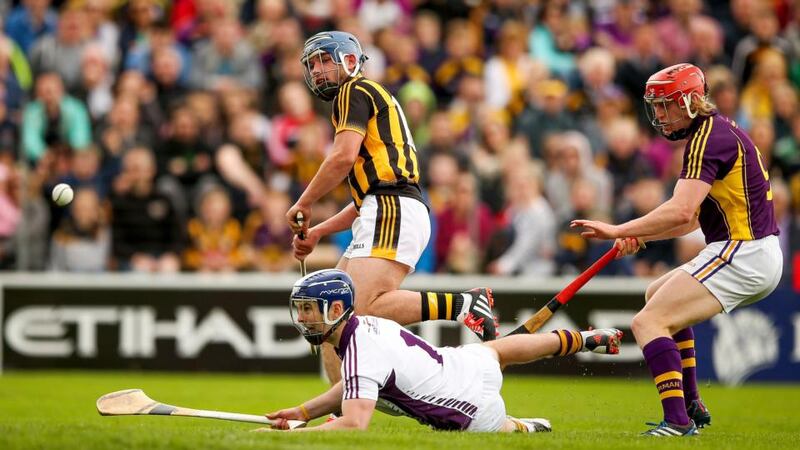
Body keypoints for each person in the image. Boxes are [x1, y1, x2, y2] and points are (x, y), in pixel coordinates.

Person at [571, 63, 783, 437]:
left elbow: (681, 210)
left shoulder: (708, 138)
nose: (659, 115)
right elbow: (690, 220)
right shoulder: (714, 131)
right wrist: (642, 235)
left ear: (689, 101)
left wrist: (617, 229)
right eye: (656, 106)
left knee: (648, 322)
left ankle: (677, 422)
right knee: (656, 296)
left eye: (666, 105)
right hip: (748, 250)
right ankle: (691, 403)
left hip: (743, 252)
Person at [285, 31, 498, 384]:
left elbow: (342, 157)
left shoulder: (354, 91)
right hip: (381, 208)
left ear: (350, 62)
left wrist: (303, 202)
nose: (318, 70)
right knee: (329, 315)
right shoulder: (364, 99)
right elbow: (359, 202)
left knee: (359, 308)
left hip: (393, 208)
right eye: (312, 64)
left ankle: (464, 304)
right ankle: (341, 415)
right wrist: (320, 230)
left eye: (325, 60)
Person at [263, 269, 623, 432]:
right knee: (499, 351)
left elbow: (355, 424)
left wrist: (298, 433)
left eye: (309, 308)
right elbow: (355, 384)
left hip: (468, 410)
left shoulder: (357, 349)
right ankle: (583, 339)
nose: (303, 317)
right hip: (460, 363)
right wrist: (303, 411)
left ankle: (520, 428)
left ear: (336, 310)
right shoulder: (365, 328)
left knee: (498, 414)